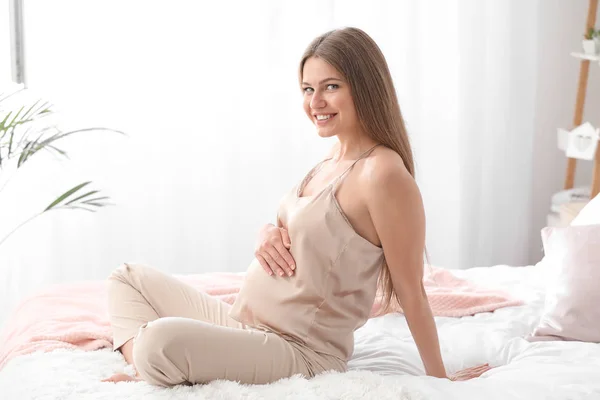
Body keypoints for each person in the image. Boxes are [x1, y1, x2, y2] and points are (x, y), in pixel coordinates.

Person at [102, 27, 491, 386]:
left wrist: (439, 380)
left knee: (159, 340)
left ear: (366, 88)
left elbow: (411, 290)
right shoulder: (331, 157)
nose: (315, 102)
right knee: (127, 278)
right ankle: (146, 364)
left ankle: (145, 363)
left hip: (299, 351)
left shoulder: (382, 174)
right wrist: (266, 231)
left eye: (330, 87)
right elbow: (305, 230)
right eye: (307, 89)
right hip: (245, 324)